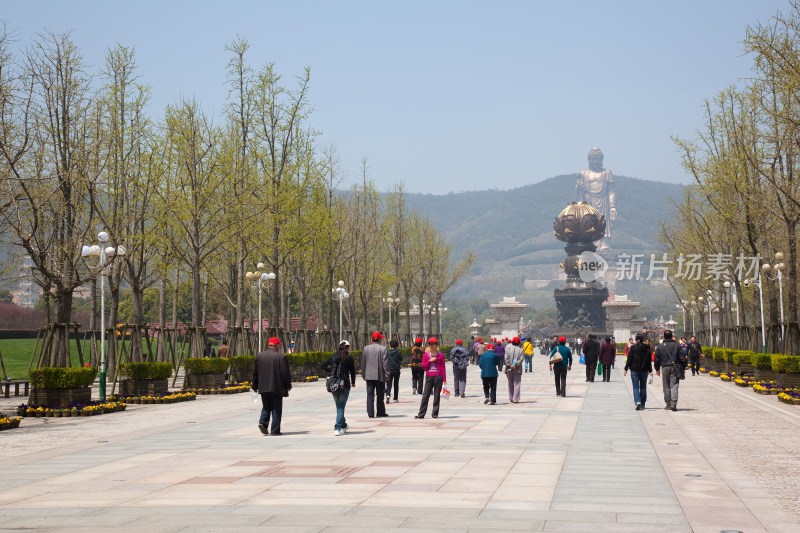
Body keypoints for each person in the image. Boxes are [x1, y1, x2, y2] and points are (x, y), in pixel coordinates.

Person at [576, 146, 617, 250]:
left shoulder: (606, 173)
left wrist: (612, 207)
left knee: (604, 222)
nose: (595, 161)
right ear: (589, 160)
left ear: (601, 160)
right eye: (592, 159)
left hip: (604, 202)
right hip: (588, 202)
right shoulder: (583, 173)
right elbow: (579, 192)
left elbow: (611, 191)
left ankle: (604, 244)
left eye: (597, 159)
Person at [252, 337, 291, 436]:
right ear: (276, 345)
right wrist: (288, 385)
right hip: (276, 387)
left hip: (263, 387)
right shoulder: (280, 357)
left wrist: (255, 385)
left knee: (266, 406)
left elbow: (255, 373)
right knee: (276, 408)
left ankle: (263, 423)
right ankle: (275, 430)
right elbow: (284, 373)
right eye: (279, 346)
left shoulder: (260, 356)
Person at [320, 340, 357, 435]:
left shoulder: (333, 356)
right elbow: (352, 371)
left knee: (339, 407)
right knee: (341, 407)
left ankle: (344, 425)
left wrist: (331, 371)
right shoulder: (349, 358)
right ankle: (337, 427)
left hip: (333, 384)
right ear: (347, 348)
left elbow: (322, 365)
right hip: (345, 384)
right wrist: (353, 382)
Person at [654, 330, 686, 411]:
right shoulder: (677, 345)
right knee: (674, 385)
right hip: (675, 367)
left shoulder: (660, 346)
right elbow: (682, 358)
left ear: (664, 336)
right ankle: (673, 403)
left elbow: (656, 359)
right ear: (672, 336)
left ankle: (668, 404)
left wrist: (657, 369)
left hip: (664, 368)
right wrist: (683, 367)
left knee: (666, 386)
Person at [415, 337, 447, 419]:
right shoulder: (426, 355)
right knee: (425, 396)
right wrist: (430, 361)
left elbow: (443, 367)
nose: (432, 345)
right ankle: (421, 414)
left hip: (438, 377)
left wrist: (444, 380)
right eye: (430, 344)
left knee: (437, 396)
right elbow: (423, 366)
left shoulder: (440, 355)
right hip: (429, 377)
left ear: (436, 345)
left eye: (434, 344)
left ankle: (435, 414)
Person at [361, 331, 389, 418]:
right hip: (379, 375)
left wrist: (363, 374)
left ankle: (370, 413)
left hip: (368, 375)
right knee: (380, 394)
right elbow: (385, 363)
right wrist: (387, 374)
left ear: (372, 338)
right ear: (380, 339)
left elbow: (363, 363)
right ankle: (380, 412)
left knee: (370, 394)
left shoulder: (366, 348)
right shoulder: (383, 349)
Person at [624, 334, 653, 410]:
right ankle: (643, 403)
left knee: (635, 387)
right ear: (643, 339)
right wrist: (650, 371)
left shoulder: (633, 348)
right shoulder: (647, 348)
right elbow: (648, 361)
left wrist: (626, 369)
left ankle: (638, 402)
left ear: (635, 339)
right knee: (643, 387)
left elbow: (629, 359)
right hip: (644, 370)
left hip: (634, 370)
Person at [503, 336, 524, 403]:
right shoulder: (521, 350)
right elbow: (521, 360)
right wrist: (515, 365)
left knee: (510, 383)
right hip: (517, 369)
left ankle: (511, 398)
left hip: (509, 369)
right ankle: (516, 399)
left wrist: (510, 365)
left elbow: (506, 358)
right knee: (517, 384)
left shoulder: (508, 348)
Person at [385, 339, 403, 403]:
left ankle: (387, 395)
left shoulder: (387, 352)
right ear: (397, 345)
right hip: (396, 370)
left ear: (390, 345)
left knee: (389, 384)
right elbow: (401, 359)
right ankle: (395, 398)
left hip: (389, 370)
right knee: (396, 384)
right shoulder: (398, 352)